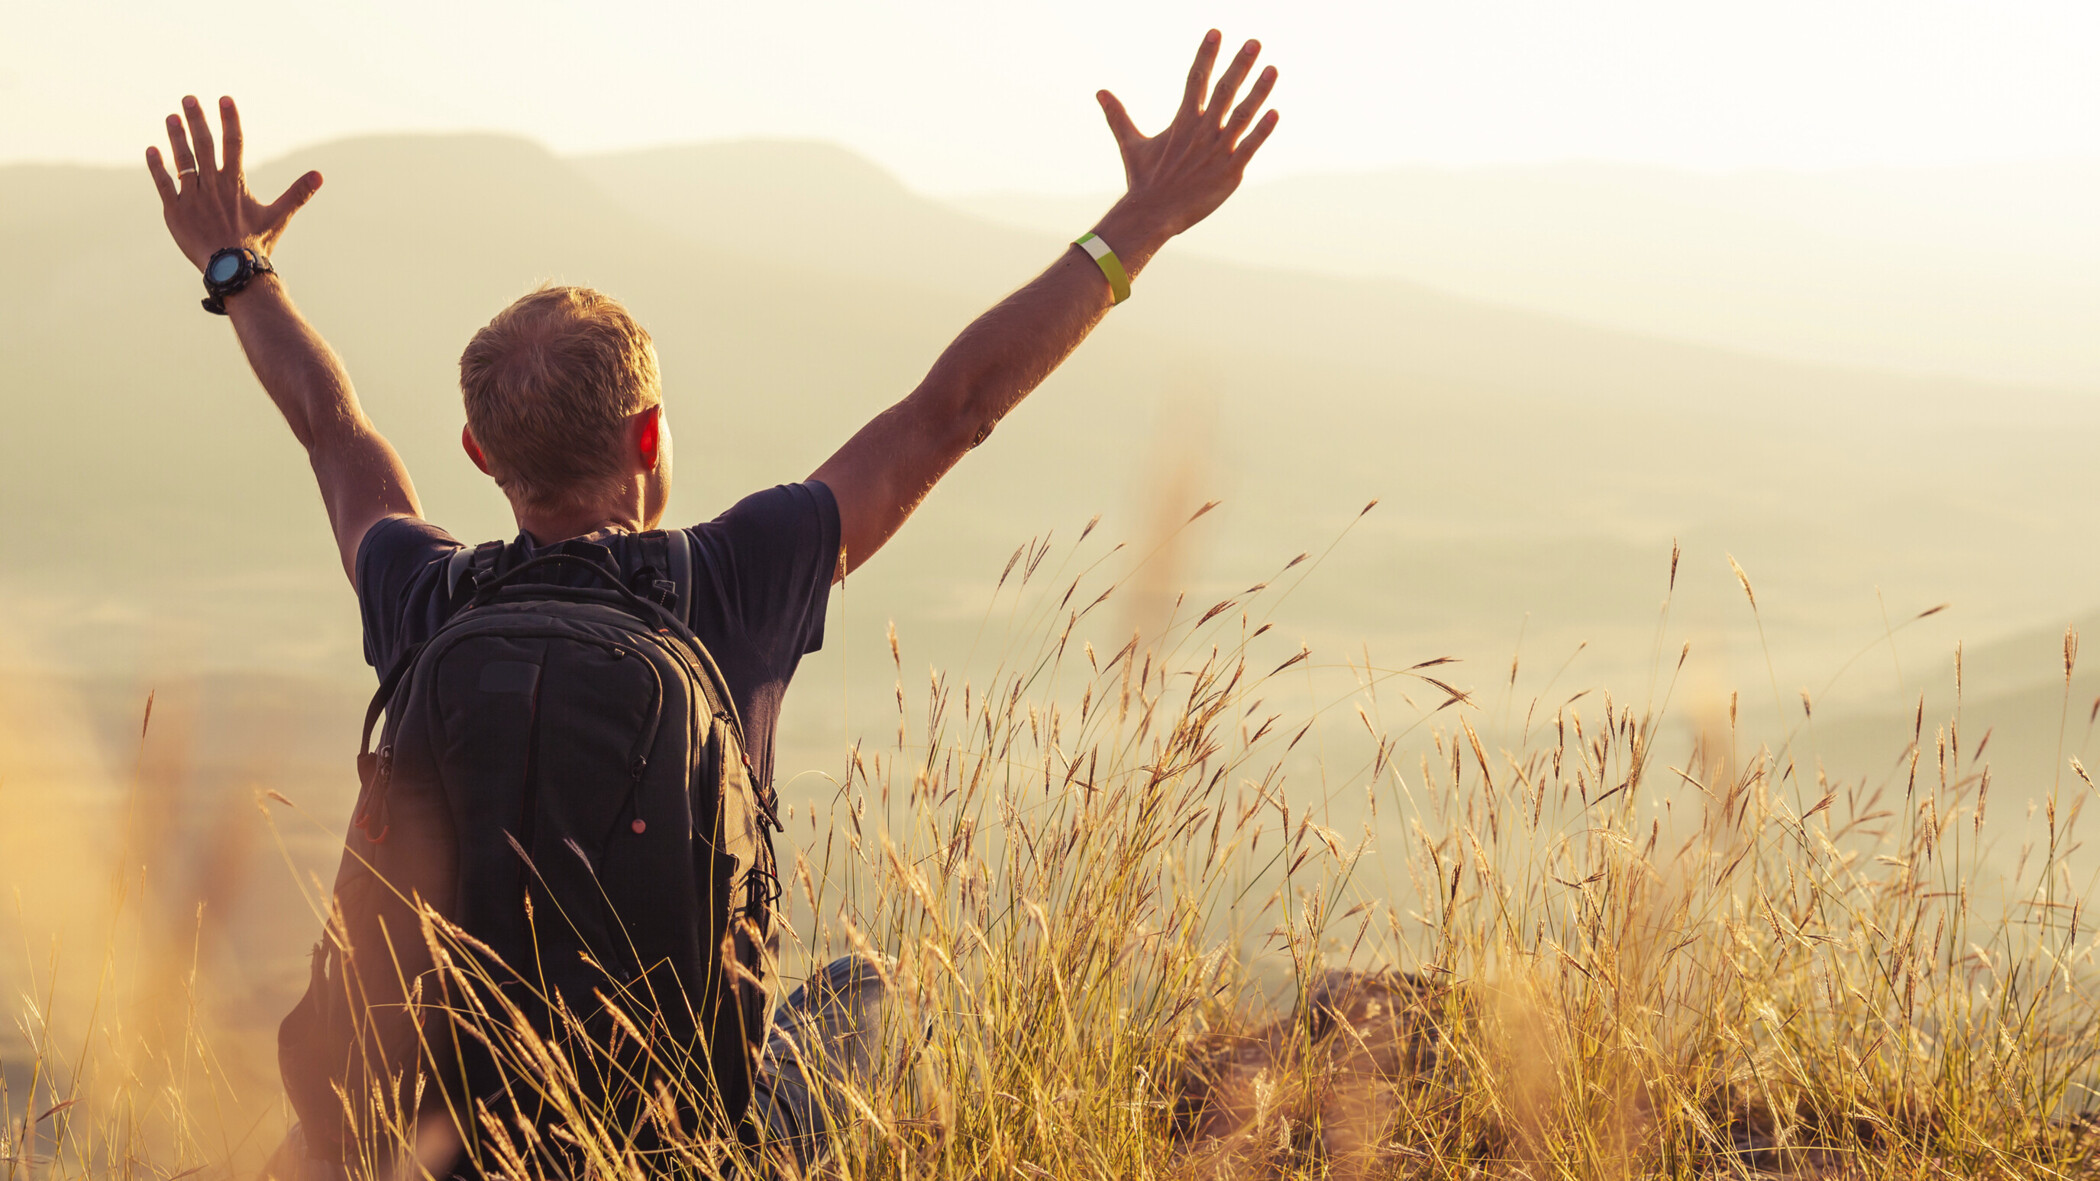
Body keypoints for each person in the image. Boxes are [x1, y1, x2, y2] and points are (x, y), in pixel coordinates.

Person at [147, 29, 1278, 1178]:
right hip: (681, 1150)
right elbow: (954, 408)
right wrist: (1142, 223)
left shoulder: (425, 598)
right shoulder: (733, 579)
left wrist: (241, 267)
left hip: (428, 1145)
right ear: (649, 436)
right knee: (866, 994)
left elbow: (336, 433)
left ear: (480, 453)